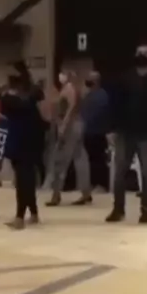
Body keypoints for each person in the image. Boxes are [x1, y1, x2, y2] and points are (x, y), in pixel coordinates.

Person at [106, 44, 147, 224]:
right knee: (120, 172)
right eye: (139, 52)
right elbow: (116, 104)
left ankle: (146, 210)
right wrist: (112, 128)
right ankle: (118, 209)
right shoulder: (126, 77)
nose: (142, 55)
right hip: (125, 131)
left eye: (145, 53)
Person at [1, 74, 43, 229]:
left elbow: (8, 106)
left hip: (20, 144)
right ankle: (33, 213)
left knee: (23, 181)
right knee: (28, 179)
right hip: (30, 143)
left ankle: (20, 216)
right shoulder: (28, 100)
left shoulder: (12, 100)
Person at [47, 70, 92, 206]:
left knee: (60, 160)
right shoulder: (75, 89)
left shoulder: (69, 89)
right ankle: (86, 192)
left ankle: (56, 194)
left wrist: (63, 126)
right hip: (77, 125)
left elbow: (70, 108)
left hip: (70, 127)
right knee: (80, 158)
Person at [80, 71, 111, 191]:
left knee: (99, 159)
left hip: (98, 132)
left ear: (96, 81)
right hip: (87, 131)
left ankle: (101, 184)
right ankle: (92, 183)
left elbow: (101, 114)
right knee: (90, 160)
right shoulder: (88, 95)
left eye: (90, 79)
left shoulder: (102, 95)